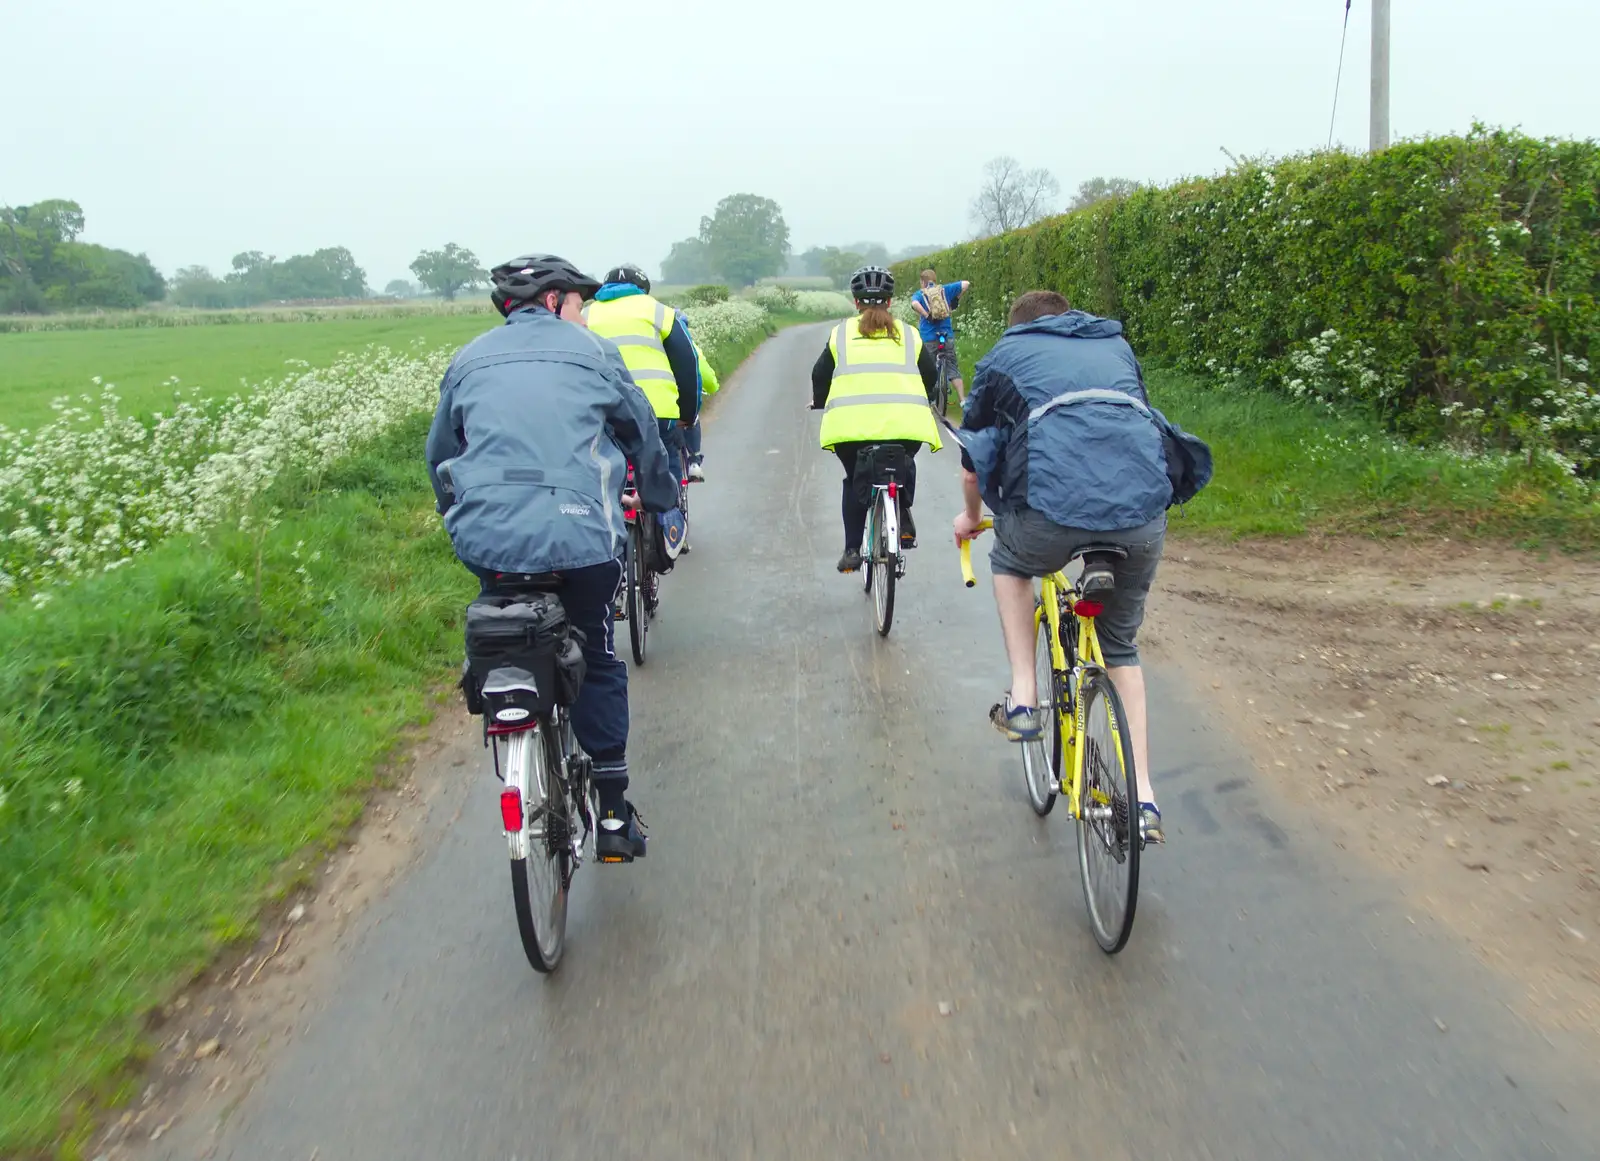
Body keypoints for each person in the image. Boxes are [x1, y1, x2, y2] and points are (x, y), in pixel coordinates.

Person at [426, 254, 680, 863]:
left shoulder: (467, 360)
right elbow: (640, 431)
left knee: (502, 614)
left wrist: (455, 509)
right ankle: (615, 813)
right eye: (579, 303)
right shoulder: (593, 354)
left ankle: (491, 684)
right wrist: (657, 493)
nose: (584, 314)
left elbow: (440, 452)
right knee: (594, 649)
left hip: (486, 536)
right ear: (554, 302)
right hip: (579, 537)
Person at [951, 290, 1182, 844]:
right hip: (1141, 515)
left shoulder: (1005, 356)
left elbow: (974, 458)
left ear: (1020, 326)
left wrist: (969, 517)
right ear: (1068, 319)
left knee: (1009, 561)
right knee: (1120, 647)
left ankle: (1025, 697)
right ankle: (1145, 798)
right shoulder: (1116, 346)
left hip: (1049, 516)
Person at [810, 266, 943, 574]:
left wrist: (819, 402)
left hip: (850, 429)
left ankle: (852, 550)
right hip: (907, 424)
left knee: (855, 478)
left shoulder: (841, 334)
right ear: (891, 301)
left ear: (856, 302)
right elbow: (931, 375)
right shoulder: (909, 335)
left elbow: (819, 374)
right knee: (902, 461)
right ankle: (903, 515)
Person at [583, 264, 702, 484]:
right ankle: (670, 515)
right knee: (665, 467)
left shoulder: (585, 315)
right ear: (642, 289)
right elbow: (687, 364)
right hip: (657, 410)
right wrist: (687, 413)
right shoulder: (659, 311)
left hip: (604, 410)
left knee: (602, 470)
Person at [910, 267, 971, 404]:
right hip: (946, 334)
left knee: (929, 369)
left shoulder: (920, 294)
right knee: (952, 367)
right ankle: (962, 399)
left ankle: (929, 400)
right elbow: (966, 284)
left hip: (929, 337)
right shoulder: (945, 290)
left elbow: (914, 304)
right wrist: (955, 299)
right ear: (934, 280)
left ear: (922, 282)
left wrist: (926, 315)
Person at [682, 329, 719, 482]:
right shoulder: (689, 346)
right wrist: (713, 387)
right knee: (692, 418)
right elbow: (708, 380)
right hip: (676, 405)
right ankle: (694, 462)